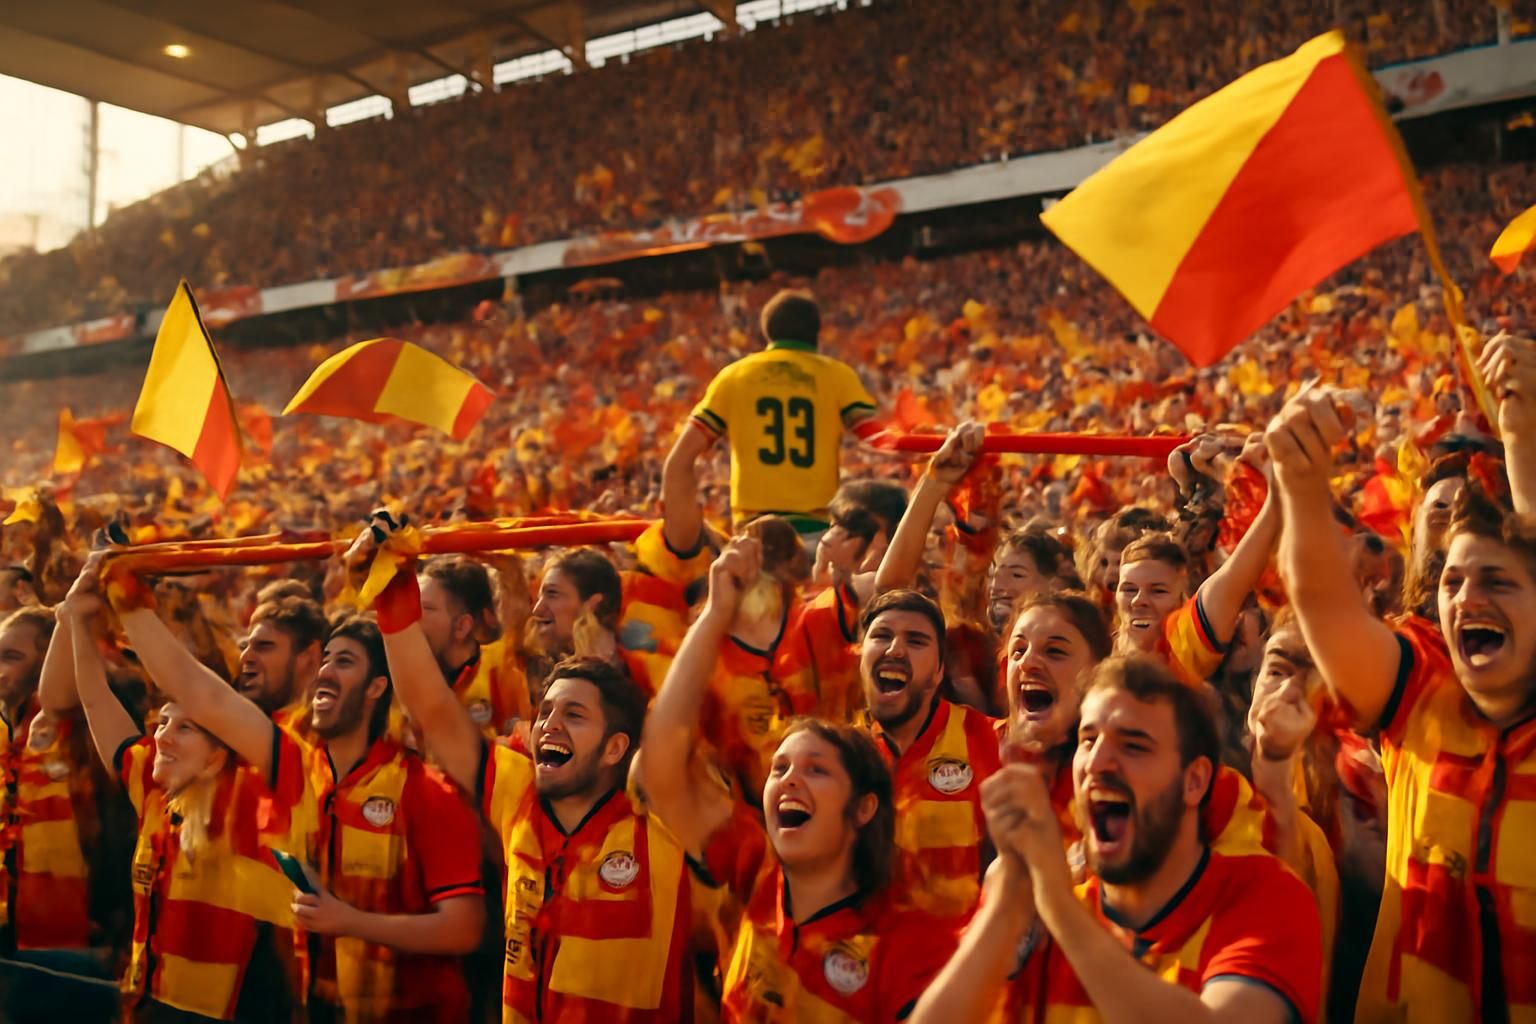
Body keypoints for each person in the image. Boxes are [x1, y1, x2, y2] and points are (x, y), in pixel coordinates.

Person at [1266, 369, 1536, 1022]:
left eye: (1496, 580)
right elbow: (1324, 609)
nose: (1467, 597)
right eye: (1451, 580)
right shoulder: (1419, 698)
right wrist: (1302, 487)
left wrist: (1523, 435)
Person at [108, 560, 486, 1023]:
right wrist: (124, 595)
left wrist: (350, 921)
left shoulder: (427, 791)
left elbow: (464, 929)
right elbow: (199, 692)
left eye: (343, 661)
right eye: (324, 659)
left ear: (377, 687)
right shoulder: (298, 768)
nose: (324, 672)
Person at [353, 516, 694, 1022]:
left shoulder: (662, 828)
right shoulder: (520, 797)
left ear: (616, 748)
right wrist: (390, 587)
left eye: (574, 715)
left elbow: (677, 725)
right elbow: (430, 709)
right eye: (547, 712)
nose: (549, 725)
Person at [636, 534, 955, 1020]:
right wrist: (715, 614)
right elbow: (660, 759)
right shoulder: (755, 876)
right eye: (779, 768)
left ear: (864, 807)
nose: (787, 780)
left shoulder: (907, 939)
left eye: (816, 770)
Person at [911, 657, 1323, 1024]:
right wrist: (1006, 903)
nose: (1097, 763)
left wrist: (1056, 901)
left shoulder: (1265, 896)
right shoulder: (1037, 913)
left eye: (1133, 746)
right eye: (1088, 740)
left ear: (1194, 781)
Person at [57, 559, 296, 1023]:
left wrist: (127, 596)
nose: (161, 736)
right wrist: (77, 618)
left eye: (184, 728)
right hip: (148, 1003)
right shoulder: (154, 791)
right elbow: (93, 698)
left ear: (219, 754)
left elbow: (204, 693)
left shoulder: (249, 798)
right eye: (162, 722)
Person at [664, 289, 881, 539]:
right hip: (816, 532)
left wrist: (680, 531)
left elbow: (680, 458)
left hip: (753, 535)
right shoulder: (837, 375)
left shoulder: (733, 377)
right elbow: (878, 440)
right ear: (816, 332)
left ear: (767, 330)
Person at [858, 587, 1002, 919]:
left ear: (939, 672)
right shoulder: (836, 756)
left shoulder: (992, 742)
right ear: (860, 656)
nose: (895, 649)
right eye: (881, 636)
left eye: (916, 641)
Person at [1113, 439, 1279, 689]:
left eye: (1158, 591)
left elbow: (1239, 569)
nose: (1138, 601)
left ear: (1184, 595)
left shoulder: (1179, 643)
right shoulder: (1102, 637)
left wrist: (1246, 475)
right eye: (1128, 589)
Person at [417, 556, 530, 738]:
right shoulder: (396, 672)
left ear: (462, 626)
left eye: (426, 609)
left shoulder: (501, 668)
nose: (410, 618)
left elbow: (517, 613)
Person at [238, 596, 326, 738]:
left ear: (310, 655)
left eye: (264, 646)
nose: (244, 657)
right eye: (245, 646)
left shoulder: (325, 737)